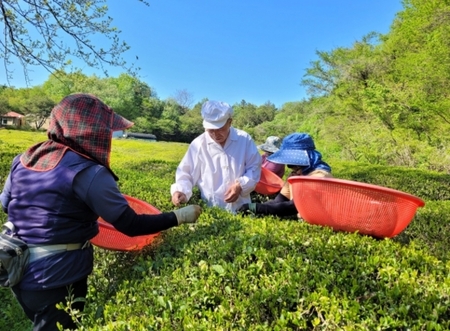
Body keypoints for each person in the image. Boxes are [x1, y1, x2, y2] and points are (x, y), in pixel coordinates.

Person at [0, 93, 202, 331]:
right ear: (90, 130)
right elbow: (130, 224)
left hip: (15, 268)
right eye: (107, 129)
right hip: (56, 275)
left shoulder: (24, 159)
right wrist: (180, 216)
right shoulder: (89, 171)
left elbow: (6, 204)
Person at [171, 100, 261, 213]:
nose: (215, 134)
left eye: (220, 129)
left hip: (242, 208)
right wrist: (181, 191)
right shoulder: (198, 144)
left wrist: (240, 186)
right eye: (211, 130)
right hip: (211, 209)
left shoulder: (244, 139)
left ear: (230, 122)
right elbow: (186, 172)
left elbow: (254, 168)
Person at [238, 132, 332, 217]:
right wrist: (254, 207)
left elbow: (295, 206)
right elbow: (280, 200)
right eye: (290, 165)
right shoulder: (294, 175)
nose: (293, 168)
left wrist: (257, 208)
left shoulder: (319, 176)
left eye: (294, 165)